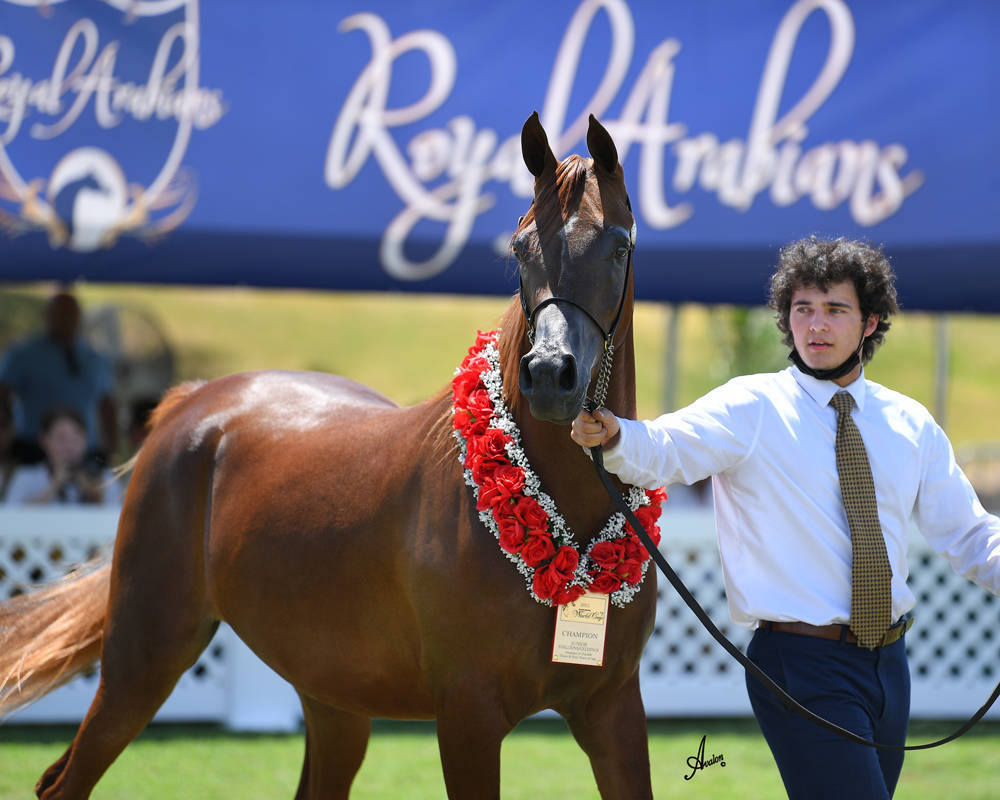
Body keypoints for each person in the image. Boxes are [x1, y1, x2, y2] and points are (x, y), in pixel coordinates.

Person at [571, 236, 1000, 799]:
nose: (815, 325)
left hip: (891, 665)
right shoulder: (752, 407)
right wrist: (616, 436)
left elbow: (969, 533)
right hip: (799, 664)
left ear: (870, 323)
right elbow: (665, 447)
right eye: (803, 309)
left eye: (835, 309)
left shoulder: (911, 423)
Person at [0, 289, 117, 467]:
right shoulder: (23, 355)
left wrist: (110, 450)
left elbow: (106, 404)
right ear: (48, 316)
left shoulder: (94, 358)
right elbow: (3, 396)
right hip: (33, 452)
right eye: (61, 314)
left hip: (85, 453)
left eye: (71, 314)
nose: (67, 320)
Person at [3, 406, 120, 506]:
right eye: (61, 438)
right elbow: (12, 515)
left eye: (75, 438)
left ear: (86, 439)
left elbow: (118, 518)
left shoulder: (105, 478)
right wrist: (54, 485)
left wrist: (91, 492)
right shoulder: (26, 476)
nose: (69, 446)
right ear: (44, 440)